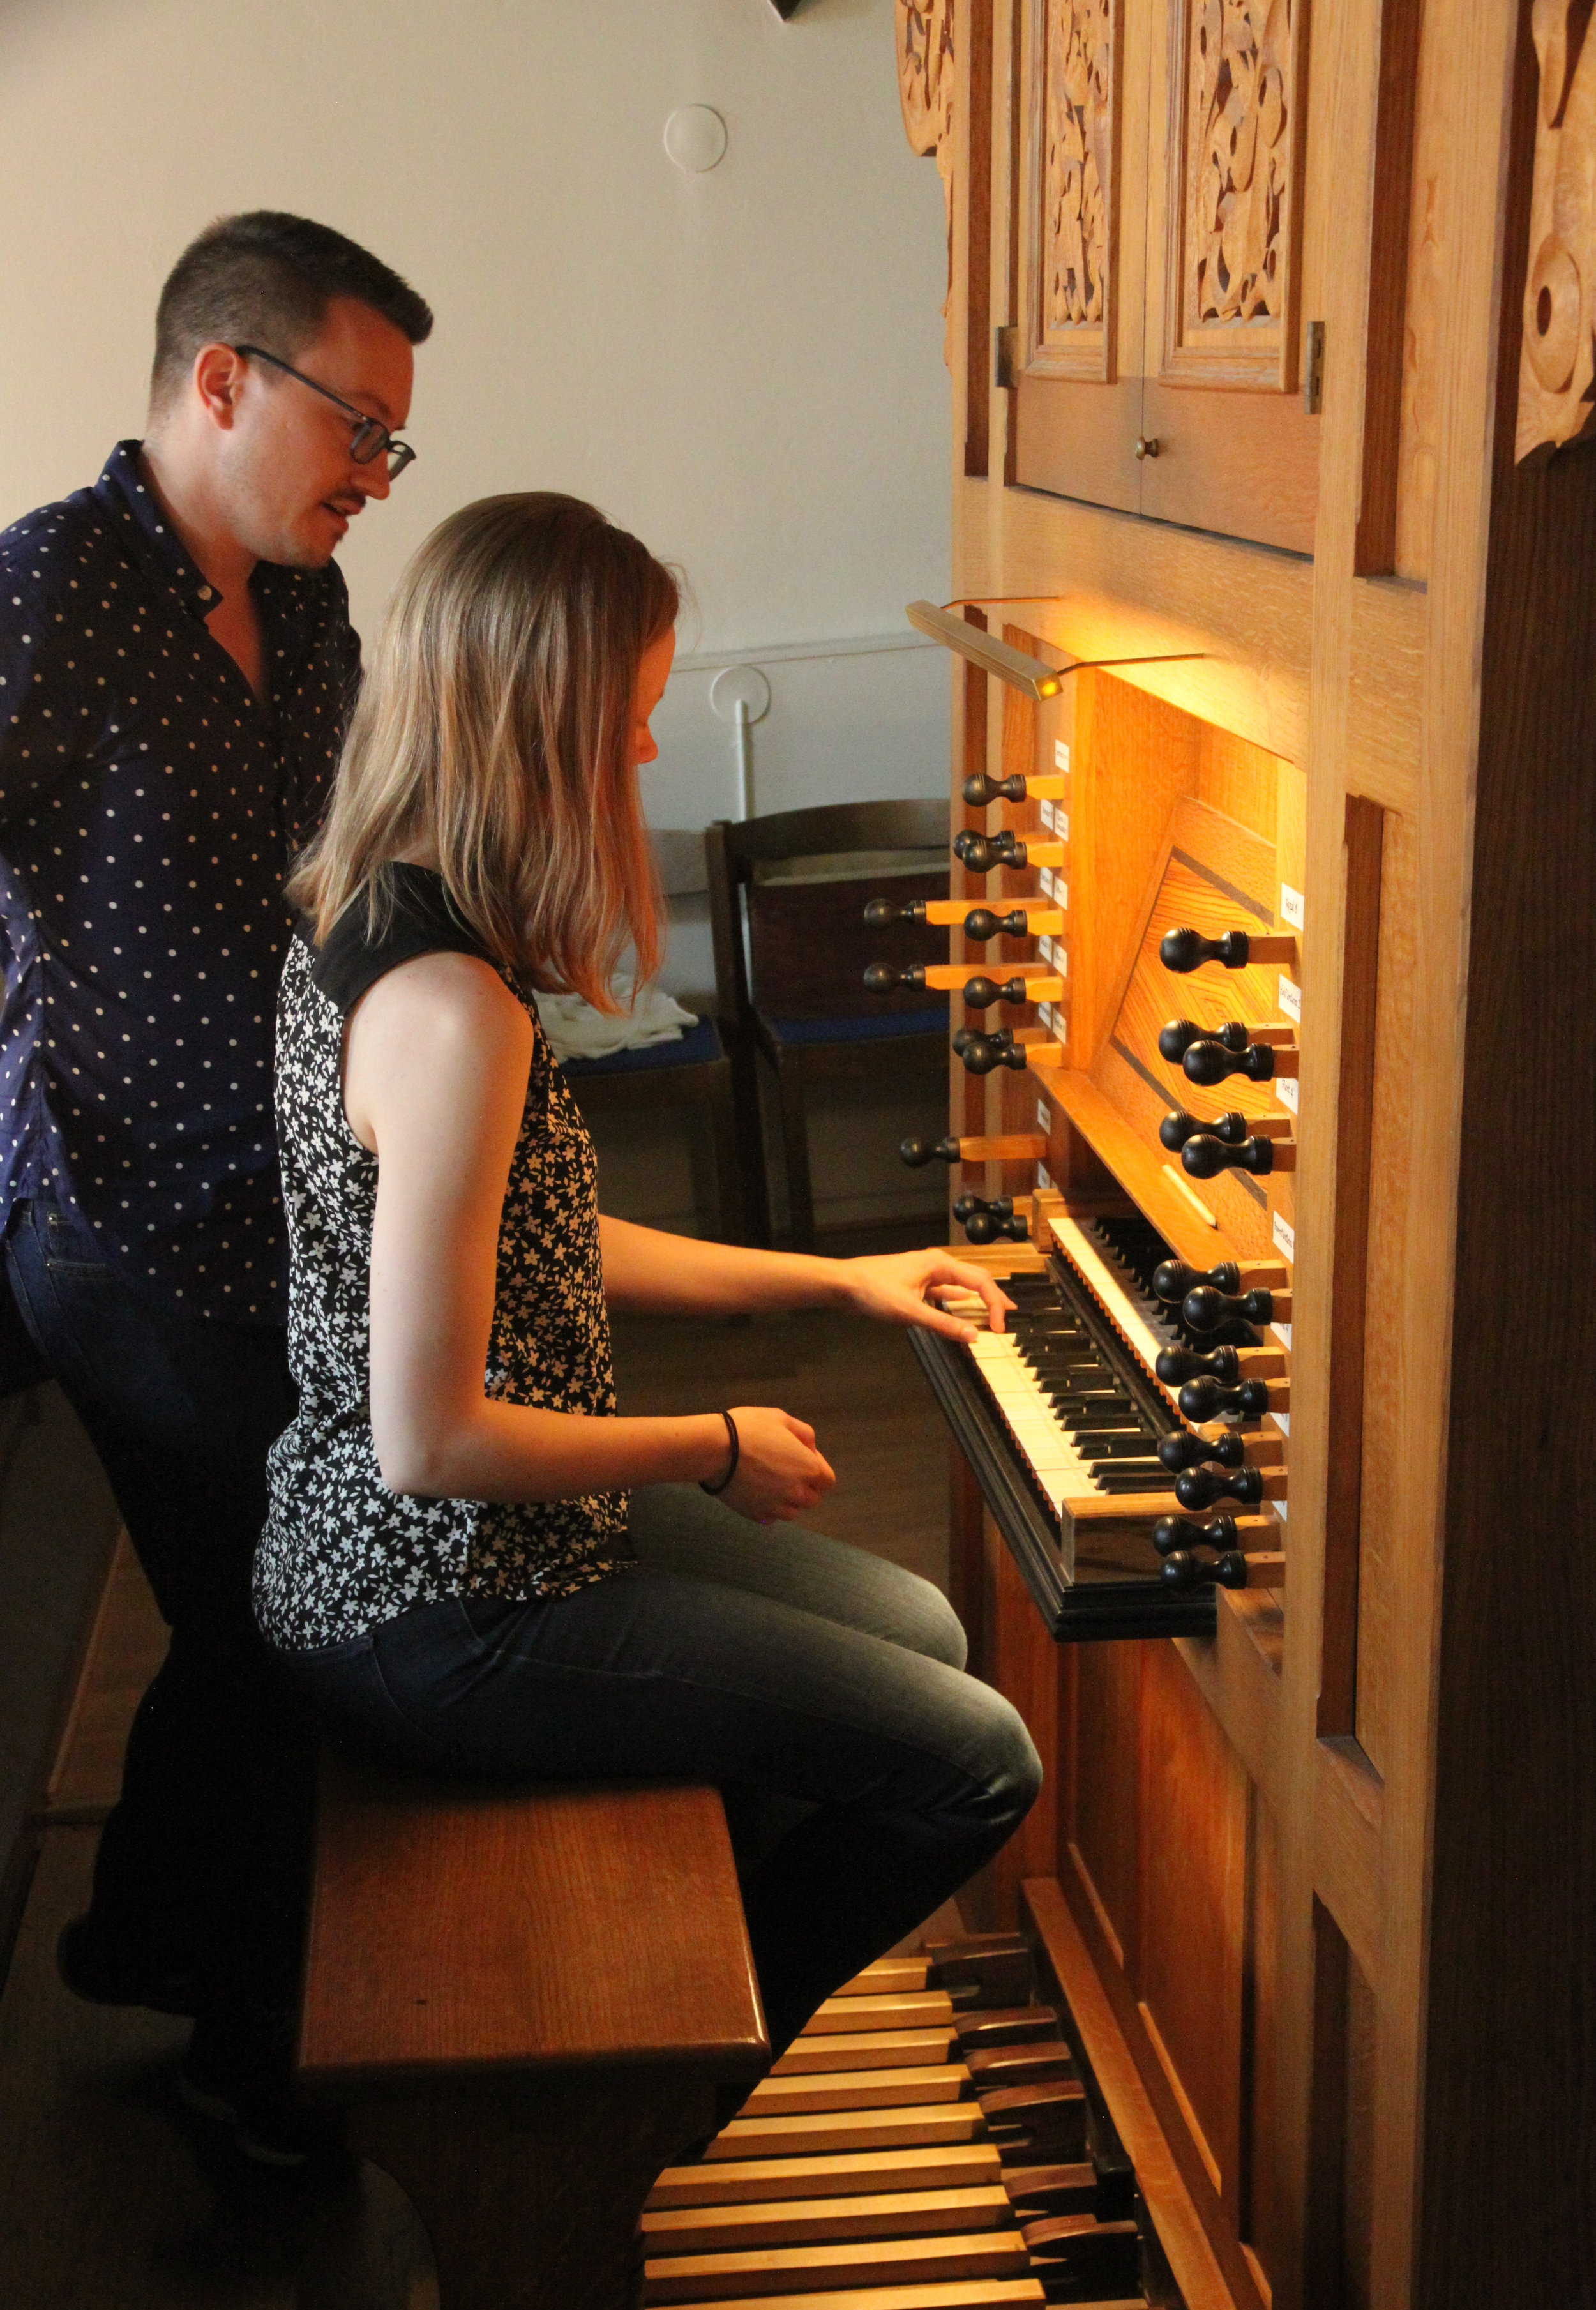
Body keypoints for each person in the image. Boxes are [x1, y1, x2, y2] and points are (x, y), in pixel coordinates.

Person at [253, 490, 1042, 2071]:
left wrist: (840, 1281)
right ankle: (663, 2083)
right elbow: (433, 1441)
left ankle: (691, 1960)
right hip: (441, 1607)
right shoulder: (447, 1008)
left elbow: (538, 1240)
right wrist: (718, 1442)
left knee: (926, 1638)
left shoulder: (376, 908)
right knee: (980, 1761)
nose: (647, 757)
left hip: (464, 1547)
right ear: (536, 727)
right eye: (628, 719)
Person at [0, 211, 432, 2152]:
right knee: (286, 1622)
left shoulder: (312, 600)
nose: (378, 472)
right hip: (115, 1221)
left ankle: (145, 1925)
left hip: (278, 1207)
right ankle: (257, 2079)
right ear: (221, 380)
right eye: (360, 425)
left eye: (396, 442)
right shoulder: (41, 594)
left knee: (249, 1608)